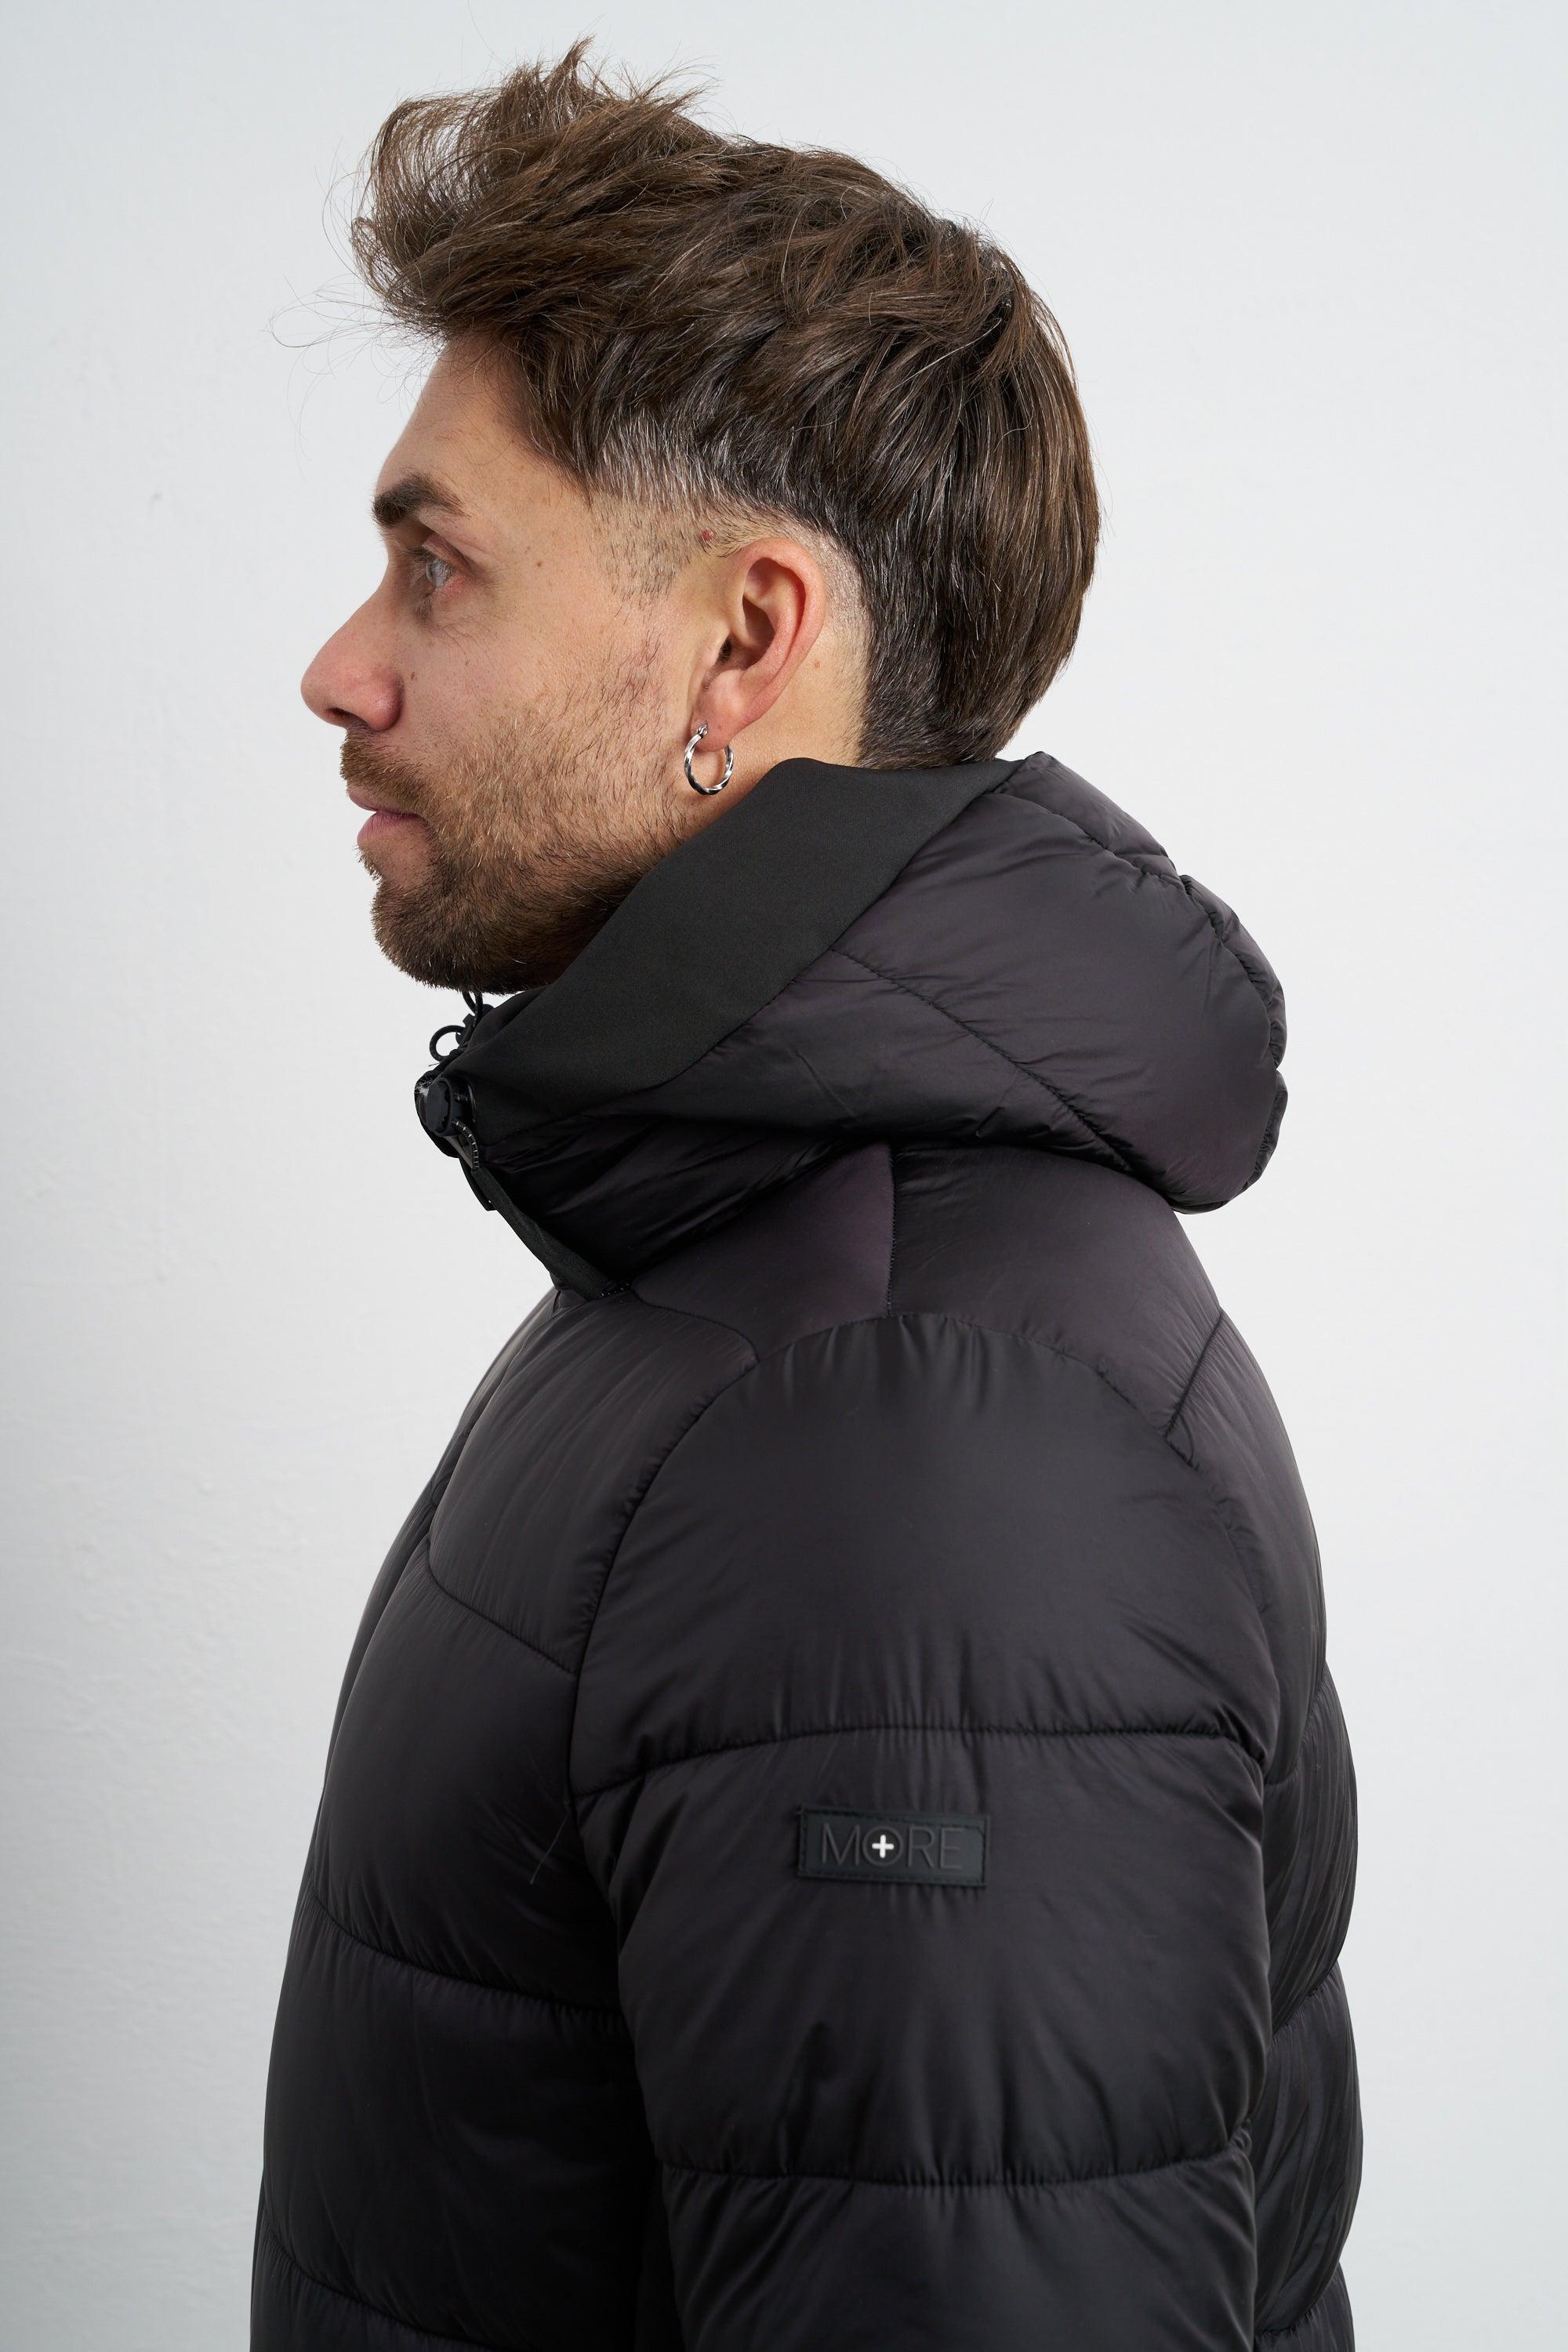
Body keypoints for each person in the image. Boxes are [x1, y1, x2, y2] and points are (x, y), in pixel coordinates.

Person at [252, 40, 1360, 2352]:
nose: (341, 669)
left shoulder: (904, 1433)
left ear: (747, 644)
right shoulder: (772, 1276)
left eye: (437, 567)